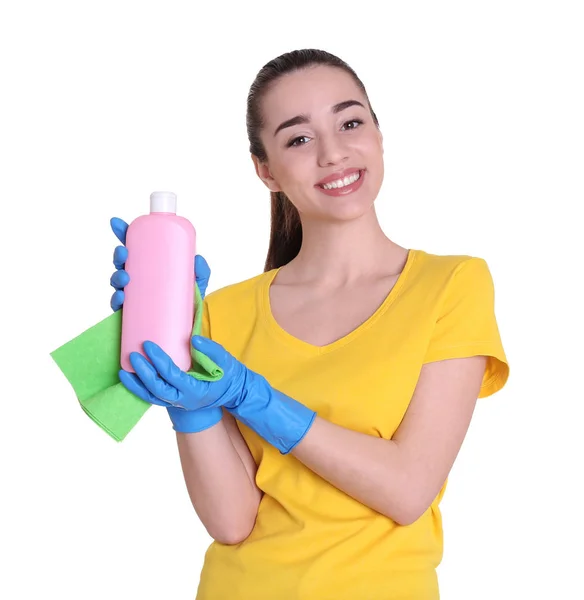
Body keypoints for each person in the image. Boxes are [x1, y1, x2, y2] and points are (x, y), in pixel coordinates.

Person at [109, 49, 510, 600]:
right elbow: (232, 524)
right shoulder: (222, 314)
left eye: (350, 122)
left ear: (378, 134)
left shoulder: (451, 286)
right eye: (299, 138)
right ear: (266, 170)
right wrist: (189, 402)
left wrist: (259, 399)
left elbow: (407, 488)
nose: (334, 152)